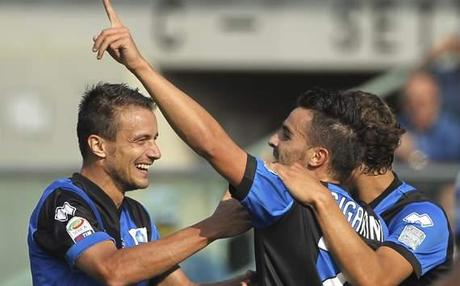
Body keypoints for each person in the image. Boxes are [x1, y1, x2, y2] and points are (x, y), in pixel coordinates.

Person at [93, 1, 386, 285]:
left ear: (317, 158)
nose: (273, 141)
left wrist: (139, 65)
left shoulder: (284, 193)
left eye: (286, 135)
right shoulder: (375, 224)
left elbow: (211, 144)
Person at [27, 82, 252, 285]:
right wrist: (213, 227)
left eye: (154, 139)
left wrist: (239, 284)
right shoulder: (64, 202)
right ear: (98, 146)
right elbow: (112, 270)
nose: (155, 153)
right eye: (141, 140)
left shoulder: (137, 214)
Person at [272, 91, 453, 285]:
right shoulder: (326, 197)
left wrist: (321, 200)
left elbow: (376, 279)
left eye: (331, 139)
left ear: (352, 148)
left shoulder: (424, 216)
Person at [396, 70, 460, 165]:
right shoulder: (399, 125)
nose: (414, 108)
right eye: (409, 102)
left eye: (421, 103)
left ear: (435, 101)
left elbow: (447, 170)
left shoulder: (453, 133)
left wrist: (412, 153)